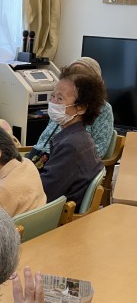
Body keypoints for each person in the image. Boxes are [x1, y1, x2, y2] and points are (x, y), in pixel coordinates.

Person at [39, 67, 105, 207]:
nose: (53, 102)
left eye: (60, 98)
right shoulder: (82, 137)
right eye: (53, 96)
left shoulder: (70, 145)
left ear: (81, 108)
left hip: (56, 214)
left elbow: (44, 192)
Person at [28, 57, 114, 163]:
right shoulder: (60, 105)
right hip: (39, 156)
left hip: (66, 161)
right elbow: (43, 140)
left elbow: (98, 151)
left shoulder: (103, 109)